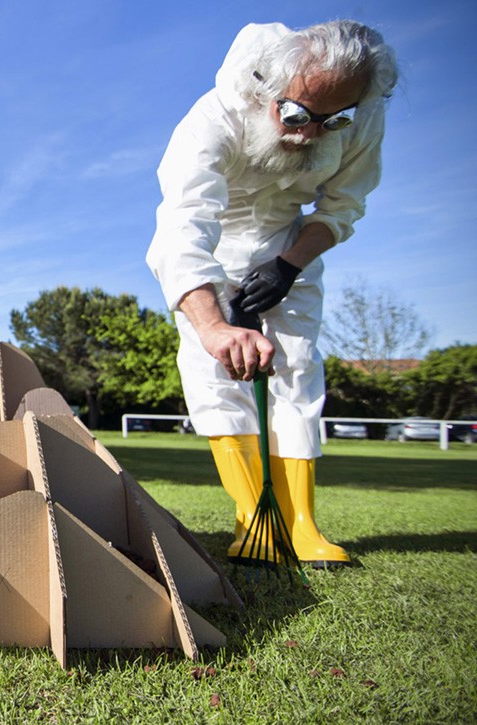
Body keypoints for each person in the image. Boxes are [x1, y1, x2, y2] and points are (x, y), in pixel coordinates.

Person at [145, 20, 398, 568]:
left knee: (298, 367)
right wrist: (212, 325)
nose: (310, 134)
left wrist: (286, 267)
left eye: (334, 121)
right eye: (299, 115)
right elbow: (182, 227)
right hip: (214, 253)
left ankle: (300, 524)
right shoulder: (211, 121)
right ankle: (252, 519)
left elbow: (342, 207)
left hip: (290, 244)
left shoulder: (363, 115)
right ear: (267, 87)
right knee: (215, 377)